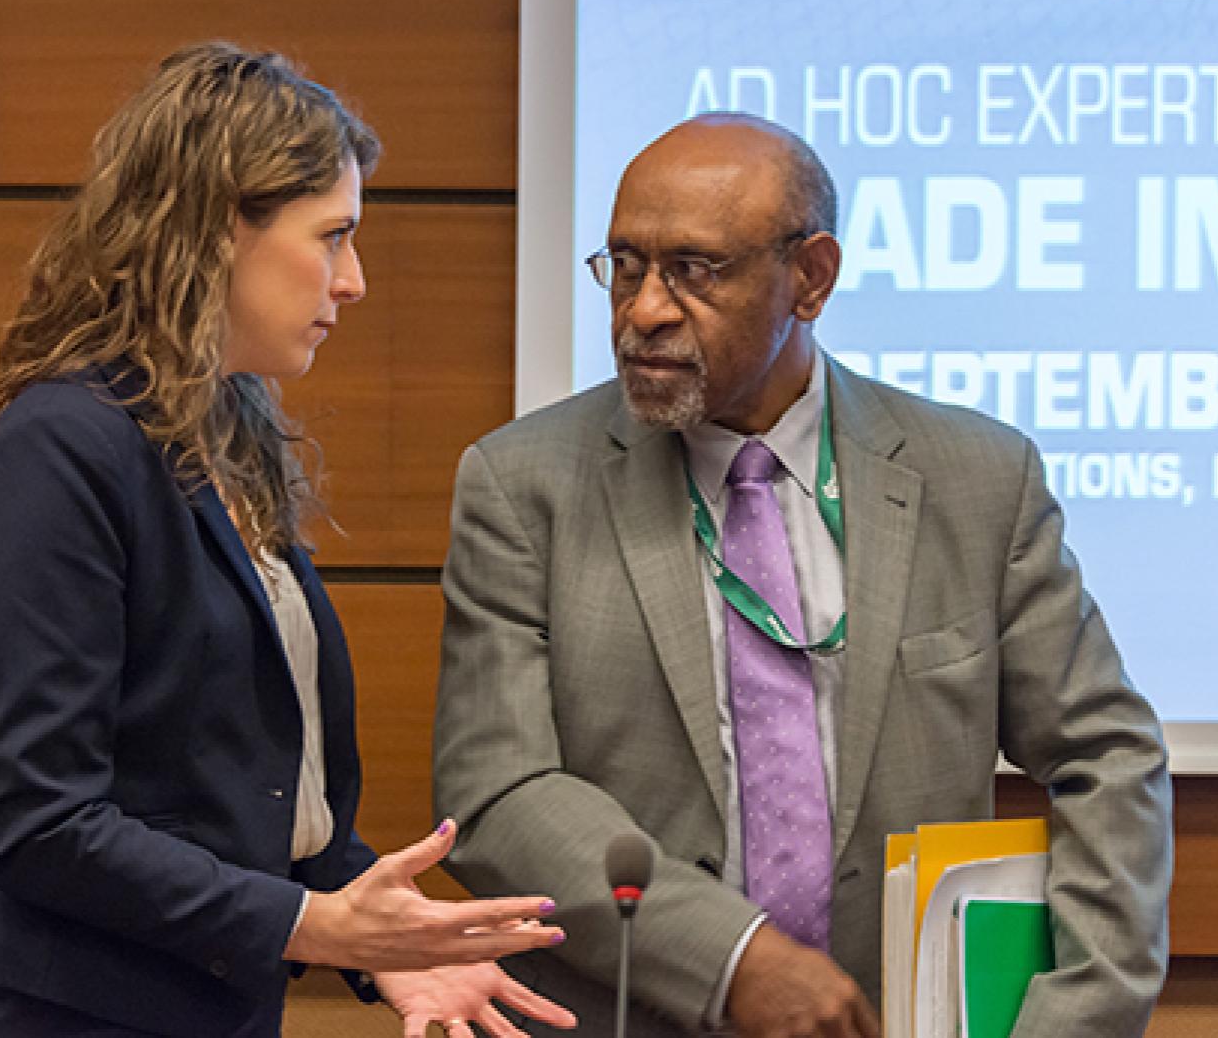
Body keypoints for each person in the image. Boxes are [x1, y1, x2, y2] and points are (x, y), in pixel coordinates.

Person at [431, 113, 1173, 1037]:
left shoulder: (976, 478)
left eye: (694, 270)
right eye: (625, 266)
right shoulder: (523, 484)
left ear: (811, 277)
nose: (645, 309)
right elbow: (497, 791)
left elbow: (1107, 756)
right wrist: (735, 959)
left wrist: (1074, 1016)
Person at [0, 41, 577, 1038]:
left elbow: (239, 788)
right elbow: (38, 822)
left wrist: (390, 938)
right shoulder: (58, 450)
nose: (353, 281)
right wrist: (316, 926)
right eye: (332, 237)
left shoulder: (225, 431)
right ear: (222, 227)